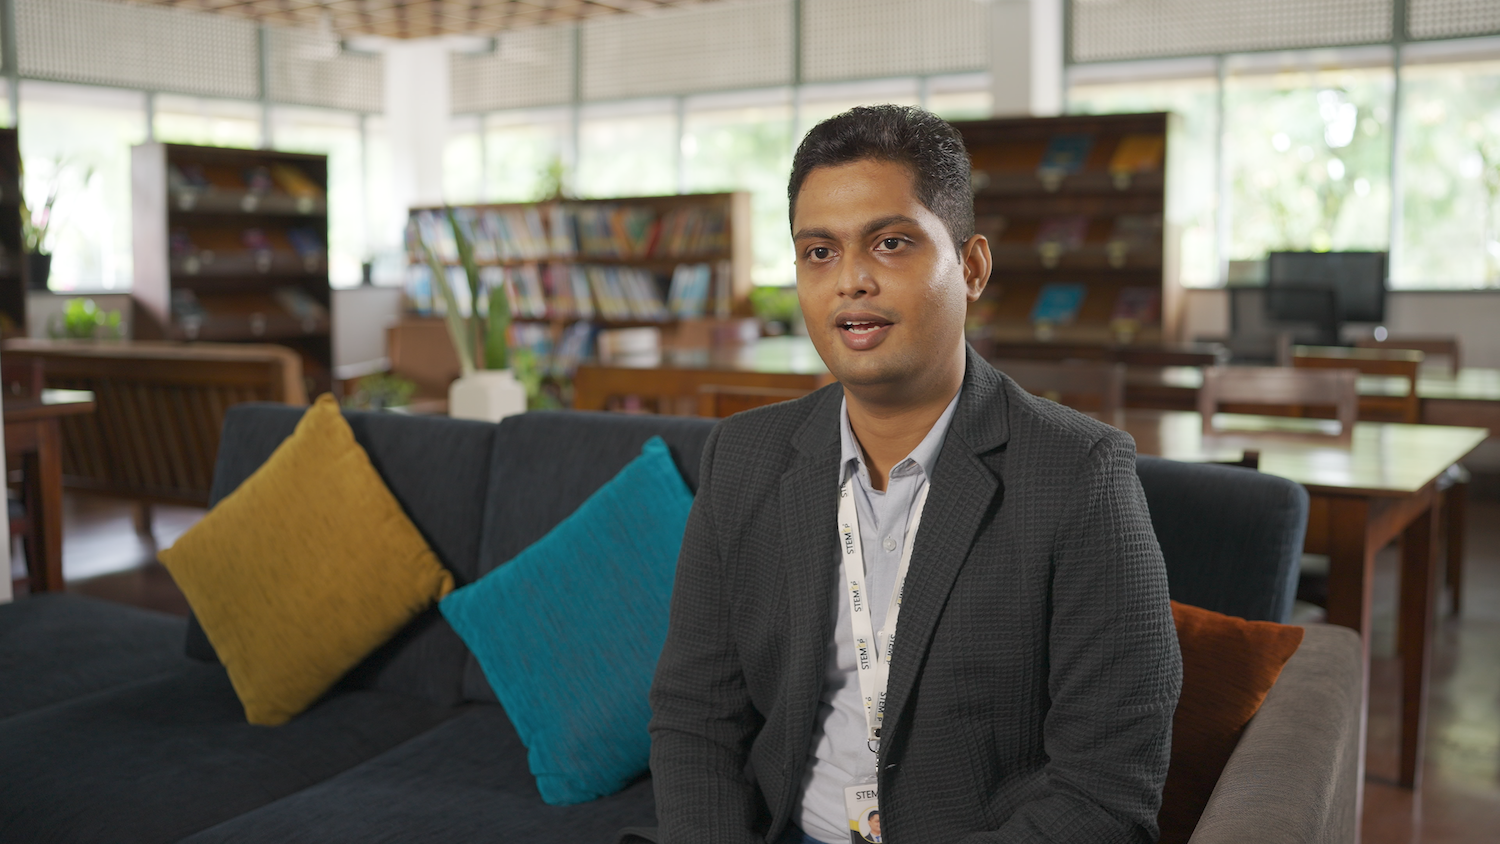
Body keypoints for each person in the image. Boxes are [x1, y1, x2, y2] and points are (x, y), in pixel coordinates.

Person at [648, 105, 1181, 844]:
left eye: (890, 243)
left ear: (971, 268)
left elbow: (1105, 796)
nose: (851, 282)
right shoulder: (742, 457)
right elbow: (694, 718)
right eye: (818, 252)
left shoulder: (1081, 475)